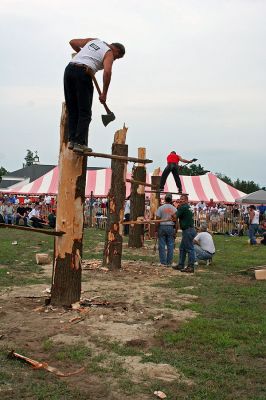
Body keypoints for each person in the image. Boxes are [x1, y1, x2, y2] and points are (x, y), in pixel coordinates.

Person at [64, 38, 125, 153]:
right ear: (116, 50)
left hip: (69, 70)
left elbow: (72, 42)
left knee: (73, 109)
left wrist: (82, 55)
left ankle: (72, 140)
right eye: (117, 57)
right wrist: (104, 93)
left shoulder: (94, 40)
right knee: (85, 112)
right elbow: (107, 72)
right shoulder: (109, 53)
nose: (115, 59)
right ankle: (79, 143)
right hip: (83, 74)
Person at [172, 194, 197, 273]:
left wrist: (175, 208)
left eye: (183, 199)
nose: (181, 200)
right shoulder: (188, 207)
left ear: (186, 200)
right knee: (182, 248)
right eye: (180, 199)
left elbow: (174, 216)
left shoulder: (182, 207)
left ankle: (191, 266)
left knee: (189, 249)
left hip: (188, 230)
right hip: (190, 229)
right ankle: (181, 264)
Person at [156, 193, 177, 266]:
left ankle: (163, 262)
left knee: (161, 245)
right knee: (170, 245)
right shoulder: (174, 208)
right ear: (171, 200)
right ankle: (169, 262)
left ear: (165, 199)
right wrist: (176, 231)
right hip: (170, 227)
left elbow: (157, 220)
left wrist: (156, 229)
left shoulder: (160, 208)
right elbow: (176, 220)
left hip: (162, 226)